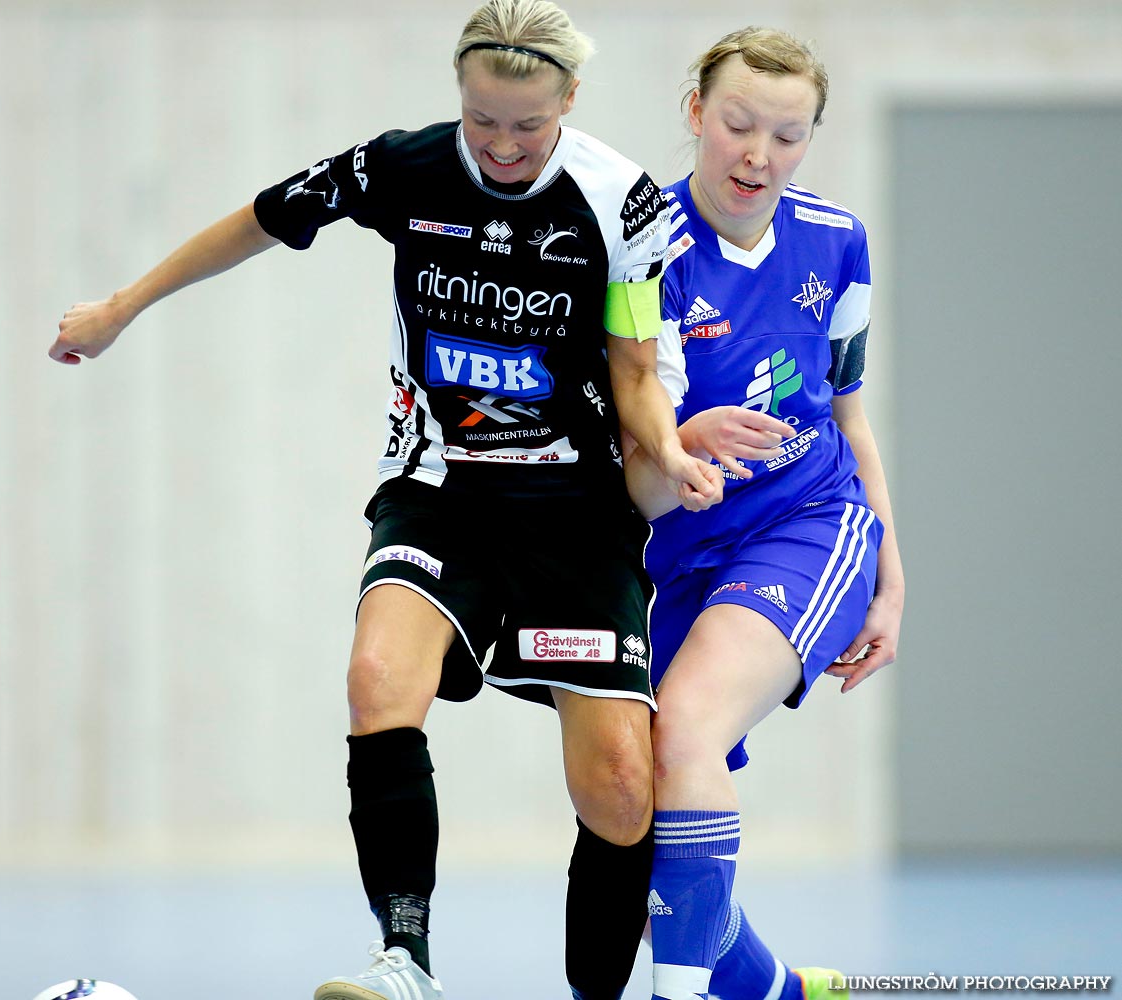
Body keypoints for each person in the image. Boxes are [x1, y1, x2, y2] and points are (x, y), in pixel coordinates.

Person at [48, 3, 750, 999]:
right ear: (458, 98)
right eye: (482, 119)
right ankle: (404, 957)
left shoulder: (622, 201)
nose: (502, 145)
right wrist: (121, 307)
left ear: (570, 103)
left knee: (620, 790)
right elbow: (259, 218)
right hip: (438, 488)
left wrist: (668, 452)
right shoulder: (402, 167)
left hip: (575, 511)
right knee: (377, 676)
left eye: (527, 124)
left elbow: (635, 368)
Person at [621, 26, 905, 1000]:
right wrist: (676, 443)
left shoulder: (837, 240)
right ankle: (771, 986)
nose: (757, 156)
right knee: (639, 798)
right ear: (694, 113)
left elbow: (846, 410)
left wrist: (890, 574)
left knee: (688, 724)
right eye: (737, 124)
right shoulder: (637, 250)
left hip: (807, 520)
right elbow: (629, 468)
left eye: (786, 136)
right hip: (678, 548)